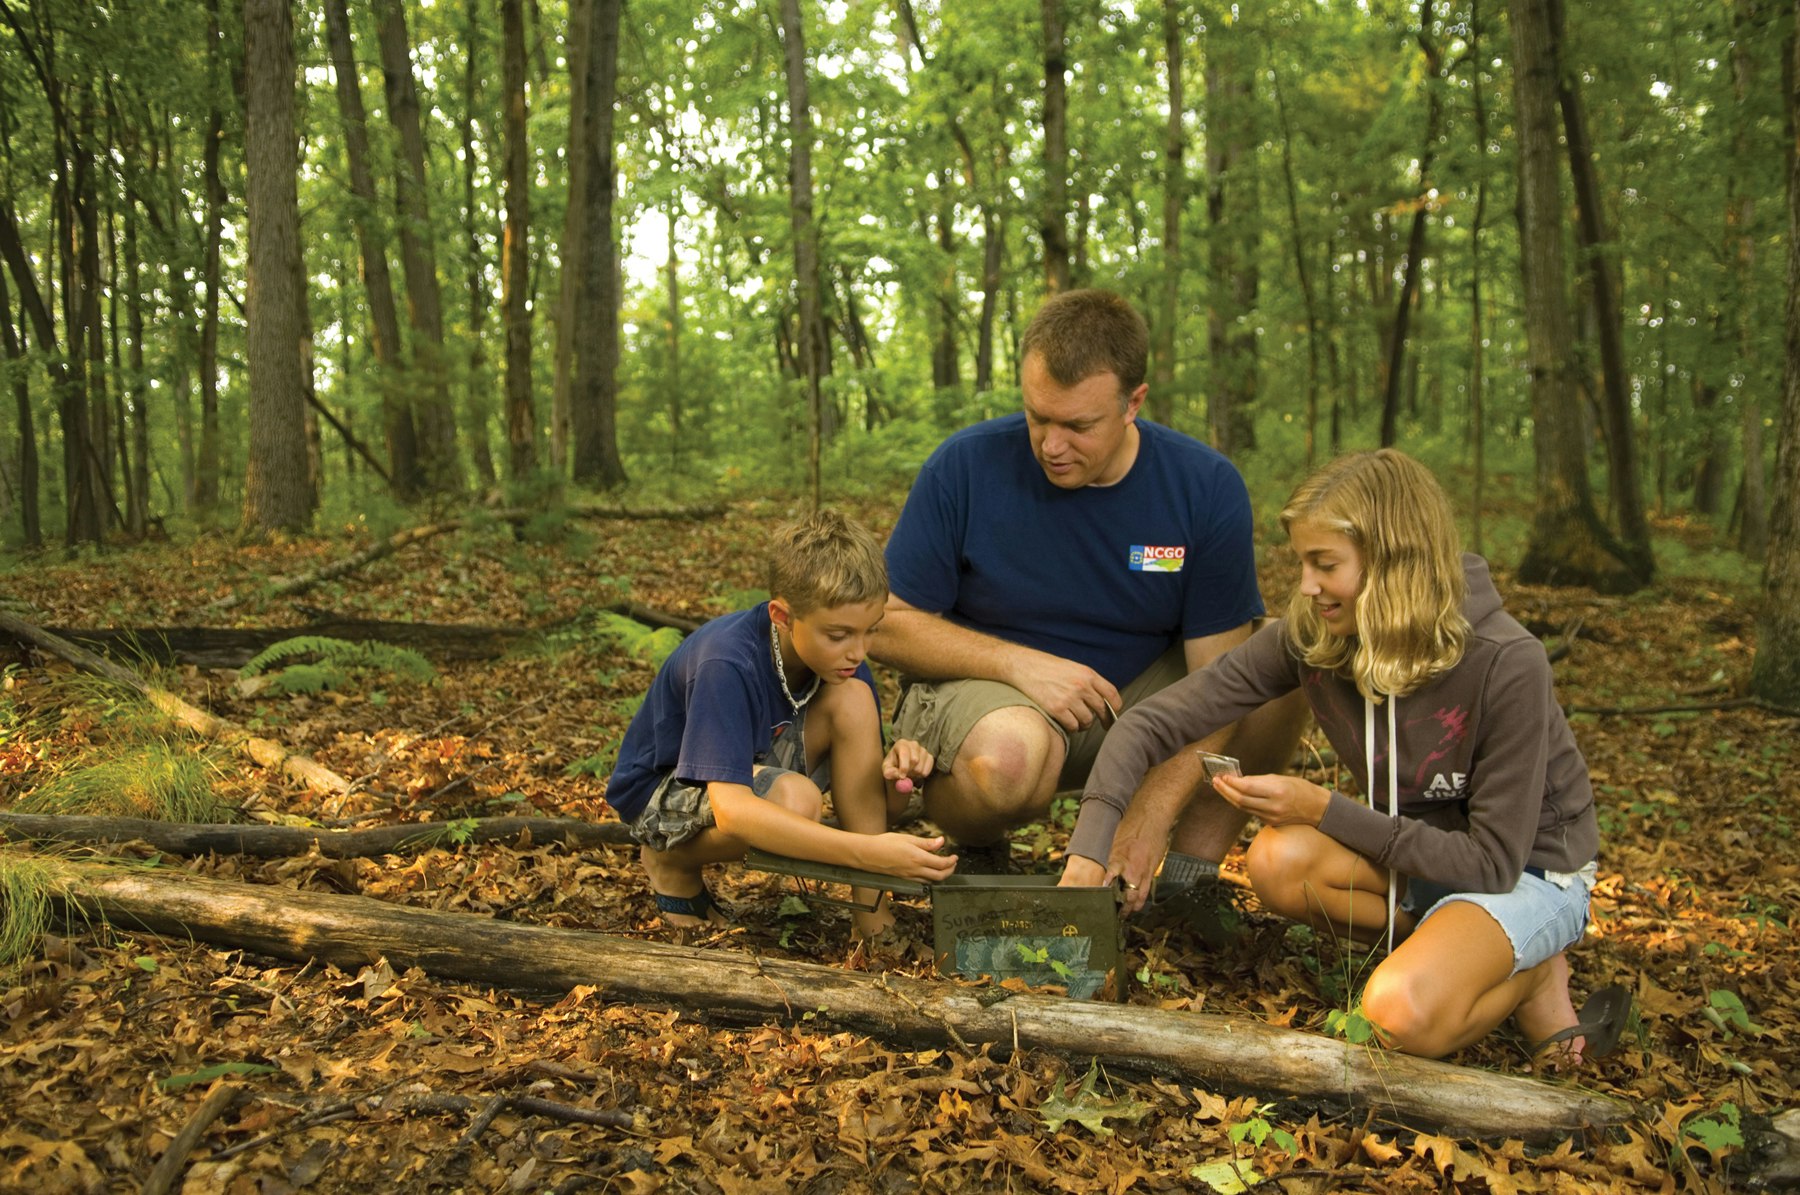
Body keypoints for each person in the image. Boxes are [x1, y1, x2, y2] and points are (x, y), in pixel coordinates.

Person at [1067, 448, 1625, 1061]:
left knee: (1397, 1015)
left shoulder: (1506, 662)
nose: (1306, 587)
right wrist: (1090, 851)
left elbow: (1492, 863)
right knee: (1278, 860)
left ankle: (1532, 972)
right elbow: (1154, 722)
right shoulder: (1315, 634)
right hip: (1421, 860)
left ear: (1392, 562)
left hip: (1527, 871)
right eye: (1303, 563)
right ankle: (1462, 952)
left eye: (1324, 564)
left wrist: (1321, 807)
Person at [877, 287, 1304, 890]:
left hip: (1130, 705)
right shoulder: (965, 467)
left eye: (1078, 425)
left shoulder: (1203, 487)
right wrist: (1021, 666)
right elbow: (886, 622)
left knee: (1278, 667)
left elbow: (1224, 682)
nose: (1051, 446)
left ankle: (1189, 881)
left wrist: (1147, 815)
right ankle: (972, 847)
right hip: (994, 704)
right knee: (1013, 756)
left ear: (1134, 403)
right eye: (1037, 417)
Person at [604, 510, 957, 939]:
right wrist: (866, 853)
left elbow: (877, 809)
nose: (858, 651)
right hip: (662, 791)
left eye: (870, 632)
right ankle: (671, 861)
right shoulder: (727, 661)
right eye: (839, 634)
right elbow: (734, 813)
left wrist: (898, 776)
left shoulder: (842, 667)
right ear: (782, 616)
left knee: (853, 700)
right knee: (793, 799)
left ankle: (872, 914)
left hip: (749, 770)